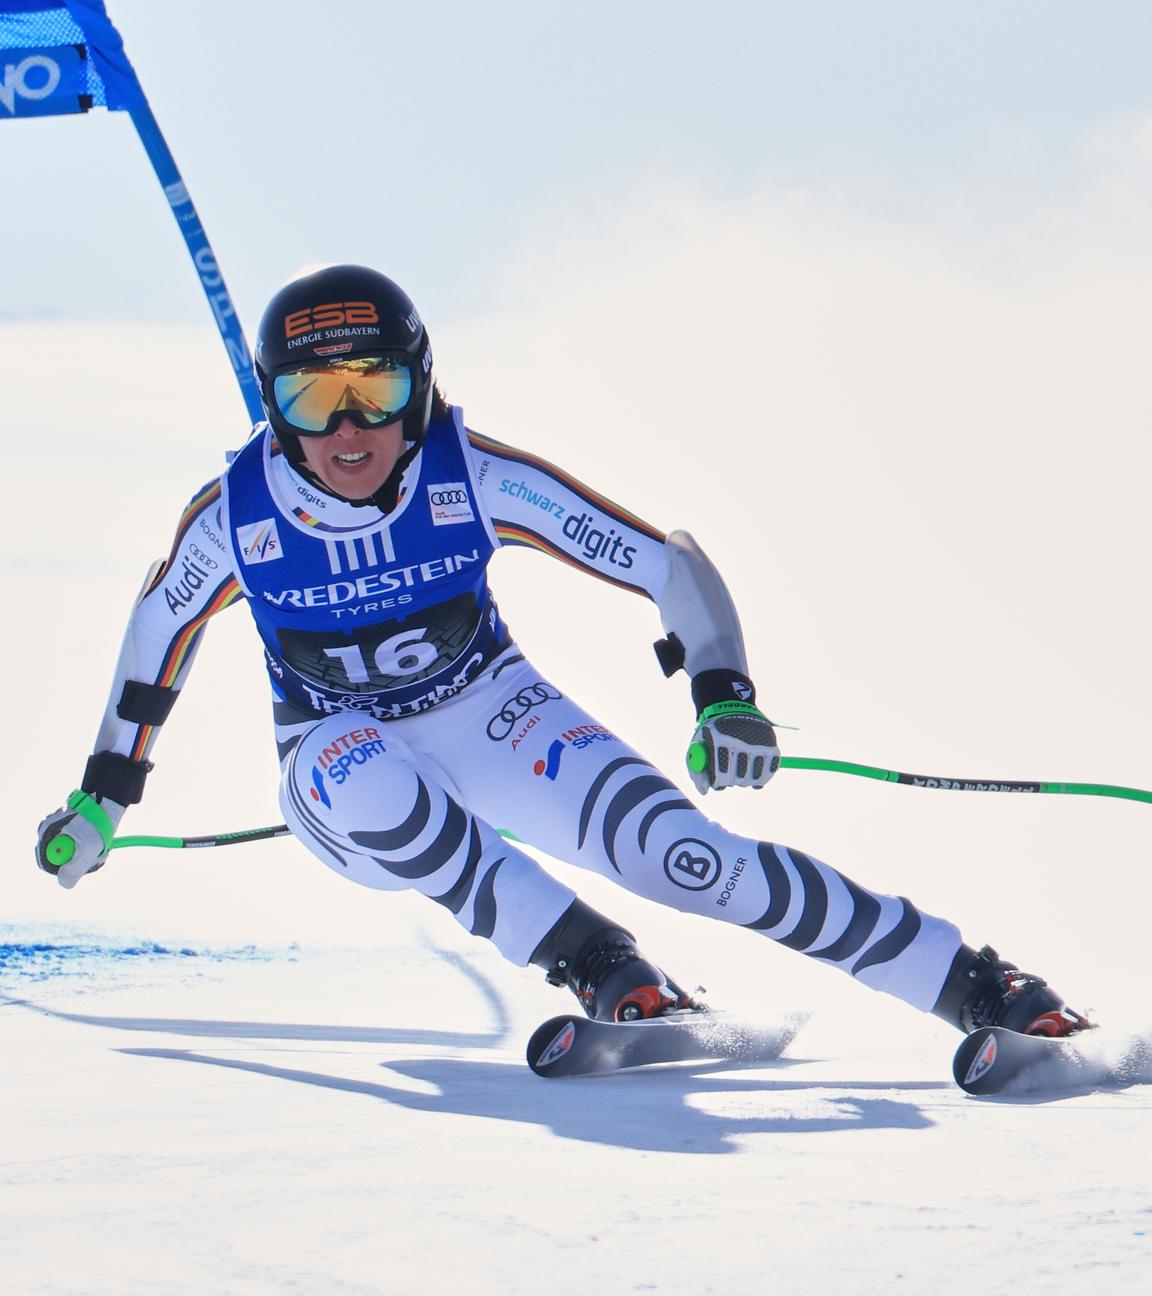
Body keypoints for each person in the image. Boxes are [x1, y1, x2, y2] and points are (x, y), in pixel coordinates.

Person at [36, 264, 1087, 1039]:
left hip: (492, 714)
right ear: (274, 406)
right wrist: (100, 806)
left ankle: (978, 987)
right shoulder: (233, 516)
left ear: (423, 388)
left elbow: (663, 563)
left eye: (377, 390)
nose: (348, 428)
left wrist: (722, 694)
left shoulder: (475, 476)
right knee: (360, 770)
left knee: (691, 863)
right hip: (334, 767)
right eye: (314, 399)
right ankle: (596, 961)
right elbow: (151, 647)